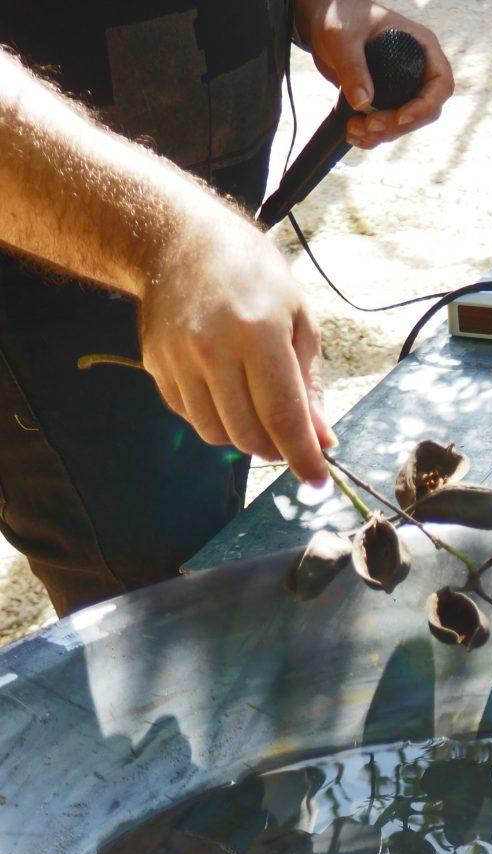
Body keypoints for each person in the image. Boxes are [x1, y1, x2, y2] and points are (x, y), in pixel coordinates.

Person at [0, 2, 453, 616]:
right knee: (167, 620)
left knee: (210, 550)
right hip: (50, 294)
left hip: (202, 259)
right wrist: (164, 240)